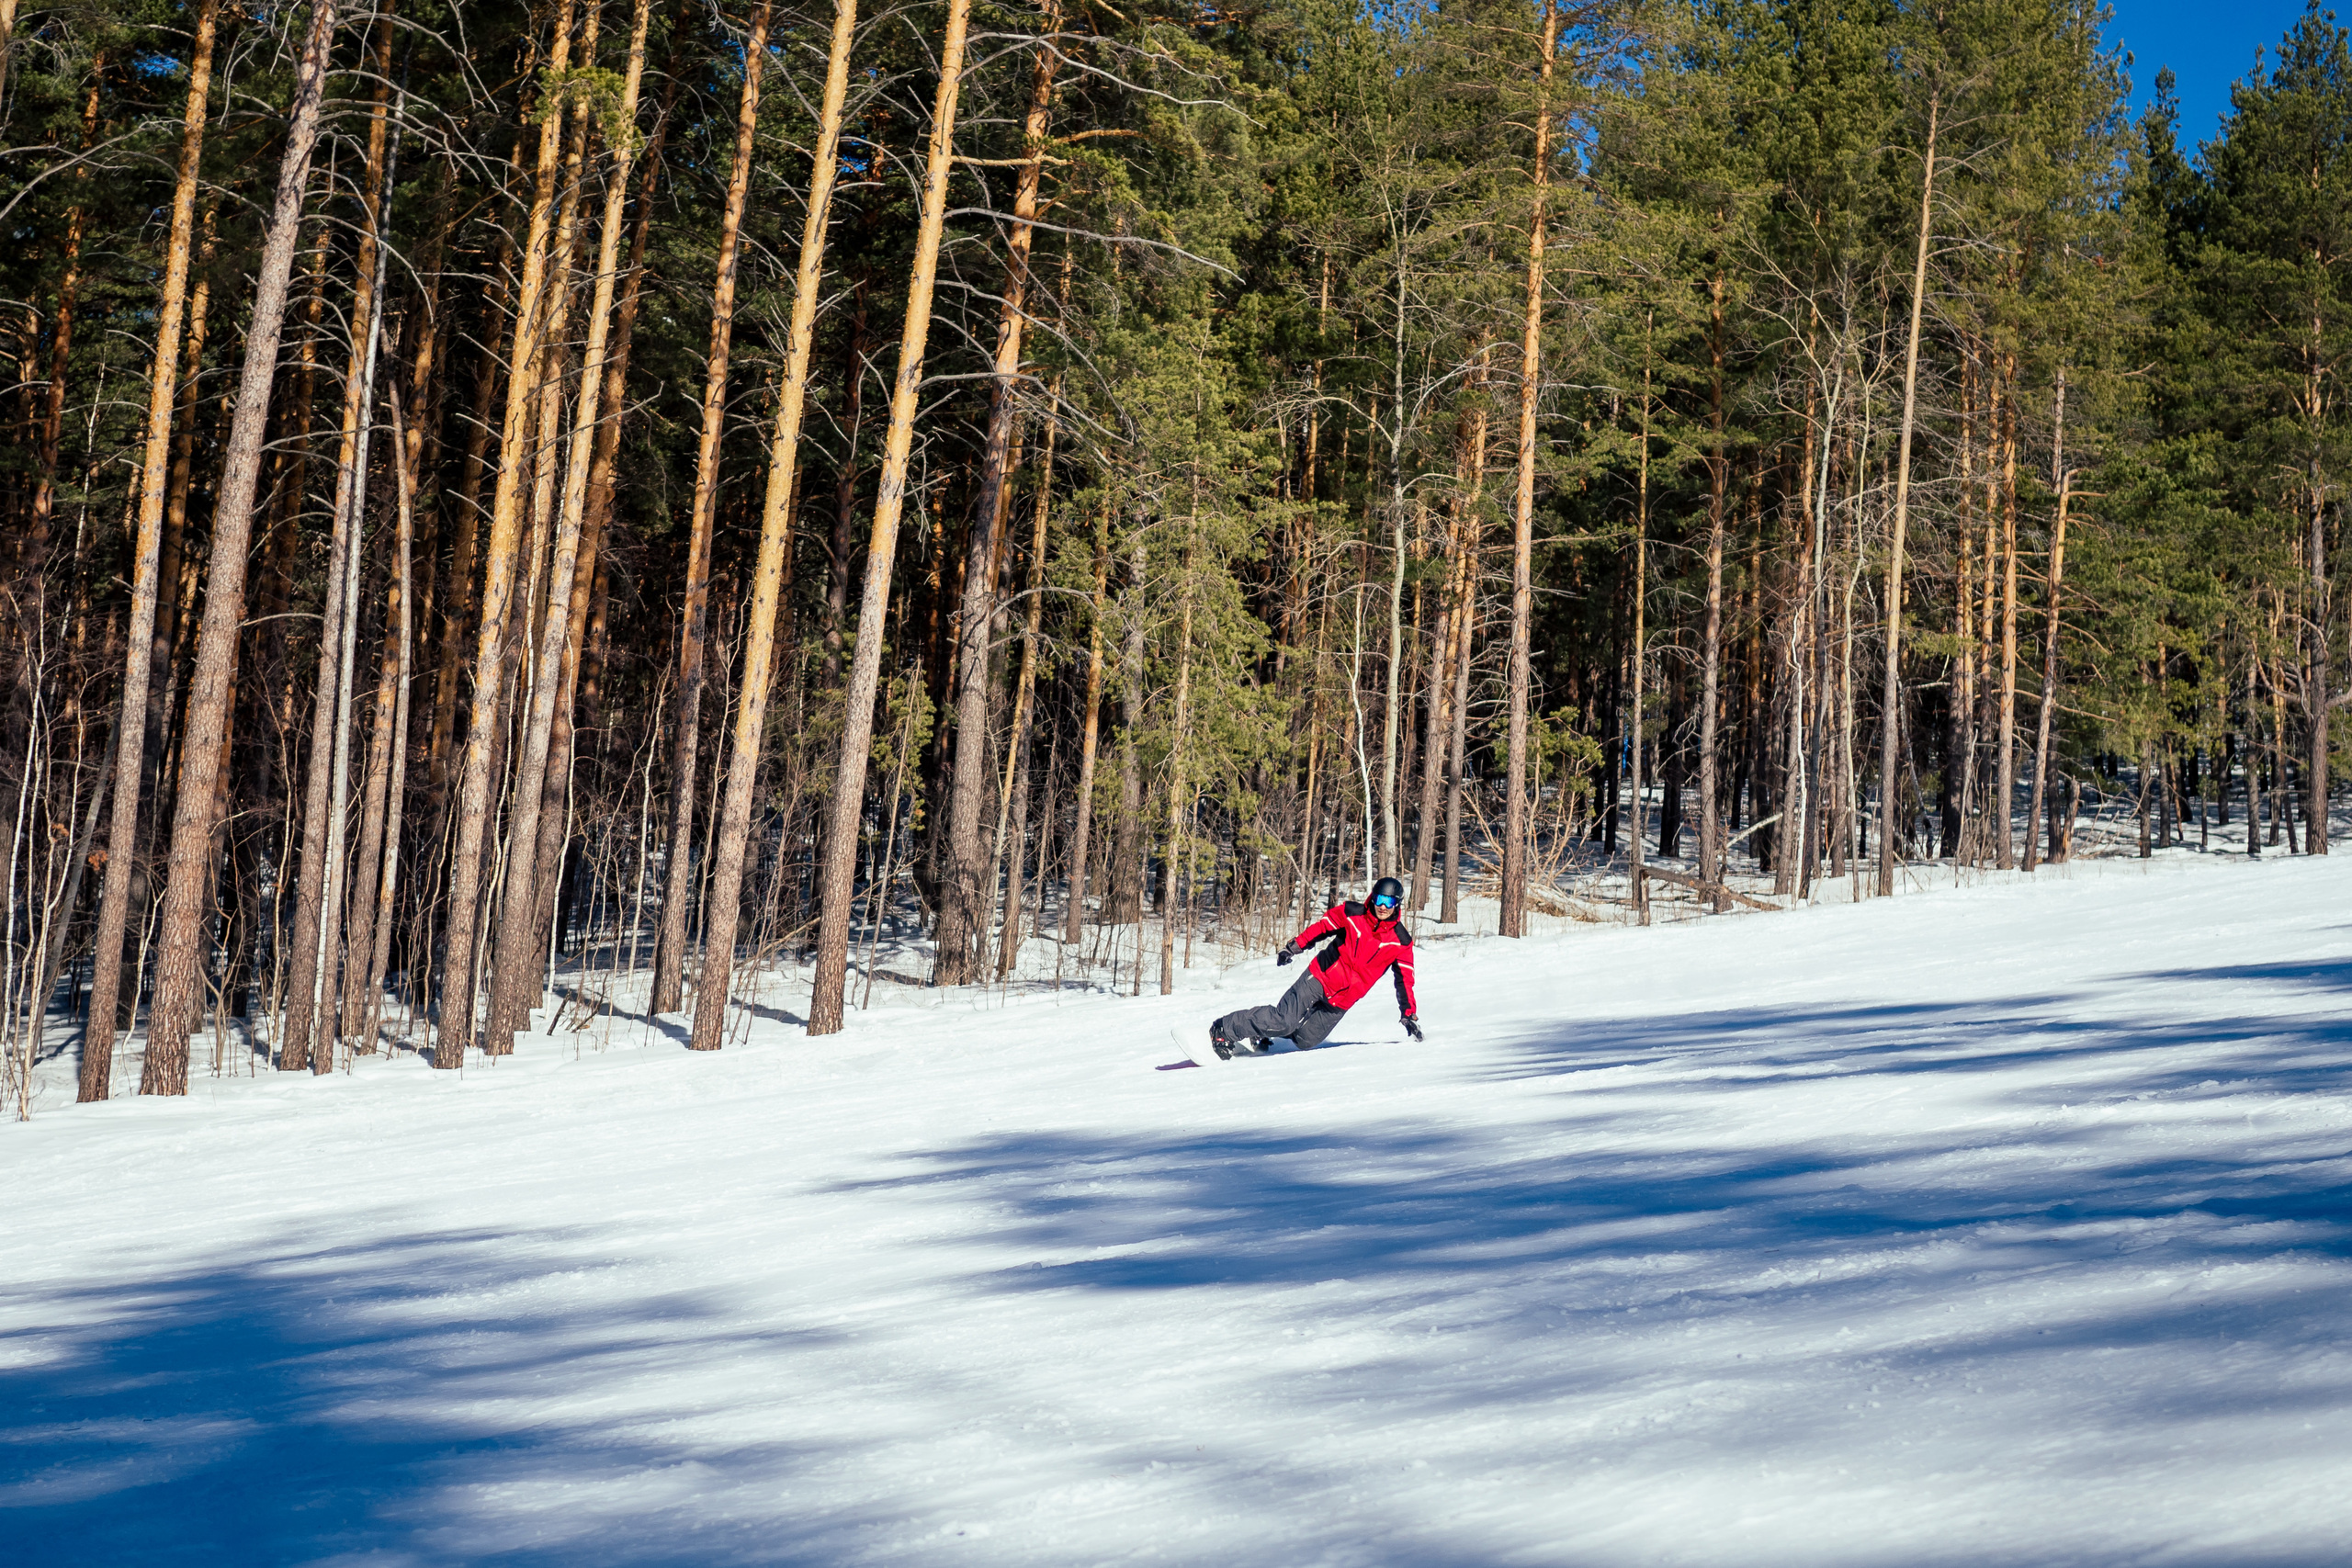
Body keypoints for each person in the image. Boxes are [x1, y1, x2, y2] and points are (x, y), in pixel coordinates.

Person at [1206, 876, 1421, 1058]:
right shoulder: (1352, 914)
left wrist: (1408, 1014)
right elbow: (1322, 928)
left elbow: (1405, 981)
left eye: (1389, 901)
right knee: (1284, 1021)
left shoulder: (1401, 942)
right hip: (1320, 977)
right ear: (1373, 897)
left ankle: (1263, 1029)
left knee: (1305, 1040)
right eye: (1380, 899)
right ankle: (1224, 1029)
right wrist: (1294, 947)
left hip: (1343, 1000)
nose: (1383, 906)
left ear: (1397, 904)